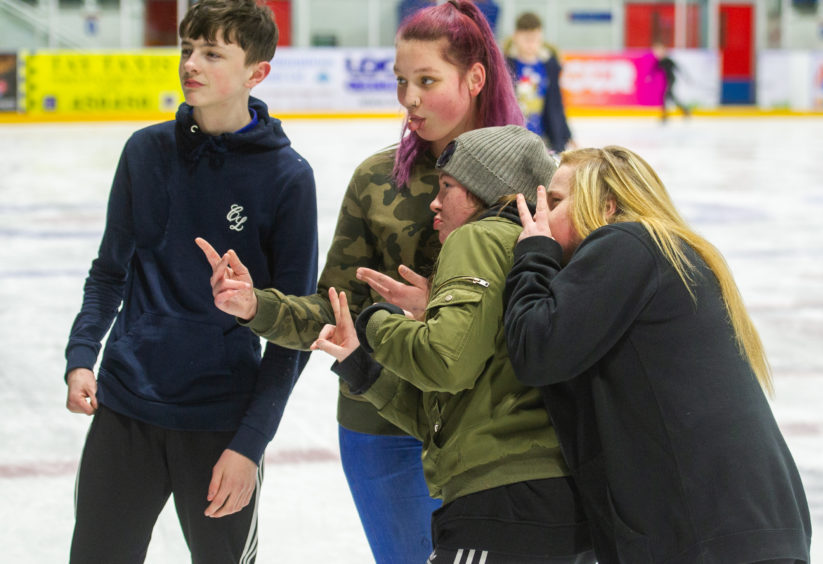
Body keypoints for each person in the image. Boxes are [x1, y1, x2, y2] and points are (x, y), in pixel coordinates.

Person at [197, 2, 524, 562]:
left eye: (426, 80)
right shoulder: (378, 181)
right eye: (401, 81)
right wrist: (257, 307)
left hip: (495, 427)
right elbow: (335, 310)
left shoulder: (531, 176)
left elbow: (550, 313)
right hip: (382, 421)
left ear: (474, 78)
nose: (409, 99)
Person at [63, 1, 318, 562]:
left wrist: (249, 446)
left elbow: (294, 331)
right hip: (125, 410)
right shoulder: (144, 153)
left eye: (211, 52)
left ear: (257, 72)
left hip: (220, 426)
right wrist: (83, 354)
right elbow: (110, 273)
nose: (190, 64)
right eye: (186, 49)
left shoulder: (287, 179)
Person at [503, 146, 812, 563]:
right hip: (741, 529)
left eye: (555, 202)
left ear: (606, 205)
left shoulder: (627, 243)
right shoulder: (668, 253)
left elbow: (537, 350)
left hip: (707, 535)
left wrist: (534, 254)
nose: (539, 216)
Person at [314, 125, 594, 563]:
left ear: (486, 191)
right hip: (552, 504)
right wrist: (360, 366)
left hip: (501, 504)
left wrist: (377, 323)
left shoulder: (480, 237)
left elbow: (447, 364)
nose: (435, 201)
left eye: (447, 187)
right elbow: (456, 409)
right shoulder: (532, 257)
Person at [504, 11, 573, 153]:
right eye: (527, 39)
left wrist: (566, 134)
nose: (531, 44)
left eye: (535, 39)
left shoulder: (549, 66)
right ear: (516, 36)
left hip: (543, 140)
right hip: (513, 140)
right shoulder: (505, 65)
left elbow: (556, 104)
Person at [651, 41, 690, 123]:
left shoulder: (667, 60)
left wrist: (686, 77)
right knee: (671, 98)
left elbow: (677, 68)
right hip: (668, 80)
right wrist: (650, 76)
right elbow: (655, 69)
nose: (657, 52)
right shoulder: (661, 61)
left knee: (665, 97)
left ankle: (665, 116)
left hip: (671, 80)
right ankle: (685, 110)